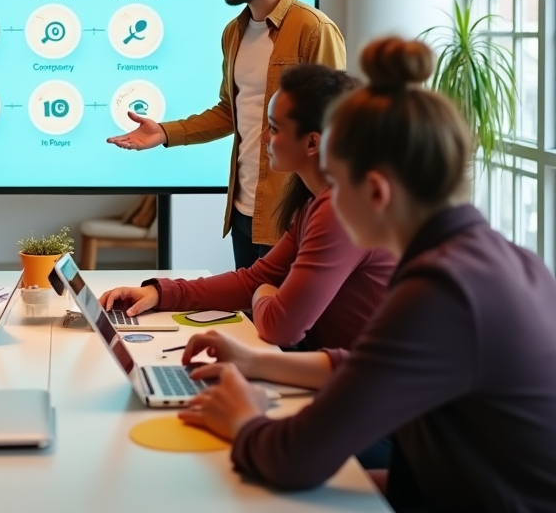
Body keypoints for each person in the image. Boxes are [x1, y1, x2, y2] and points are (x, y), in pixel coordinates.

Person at [176, 38, 556, 512]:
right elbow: (368, 367)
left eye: (334, 181)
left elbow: (294, 459)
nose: (325, 199)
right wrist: (253, 362)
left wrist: (243, 419)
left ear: (374, 191)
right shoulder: (509, 261)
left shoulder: (441, 292)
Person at [107, 0, 346, 270]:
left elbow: (335, 128)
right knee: (251, 320)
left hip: (292, 217)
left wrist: (321, 214)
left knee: (287, 323)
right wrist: (165, 132)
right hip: (243, 214)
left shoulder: (314, 30)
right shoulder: (234, 32)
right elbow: (228, 111)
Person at [100, 64, 394, 351]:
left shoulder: (342, 209)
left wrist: (264, 293)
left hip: (372, 387)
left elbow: (281, 326)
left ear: (312, 143)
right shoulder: (317, 202)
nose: (264, 136)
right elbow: (254, 278)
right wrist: (159, 292)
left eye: (275, 129)